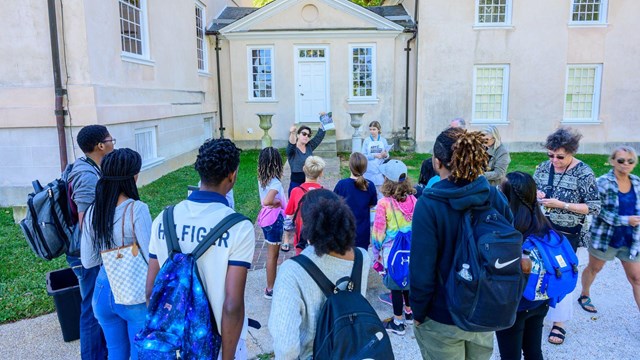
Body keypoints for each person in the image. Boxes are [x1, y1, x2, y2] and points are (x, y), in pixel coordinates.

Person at [146, 139, 256, 360]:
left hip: (169, 343)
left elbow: (151, 290)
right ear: (232, 175)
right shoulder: (239, 227)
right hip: (215, 344)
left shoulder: (164, 218)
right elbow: (232, 305)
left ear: (200, 172)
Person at [410, 127, 513, 359]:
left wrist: (418, 309)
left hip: (443, 312)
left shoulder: (429, 204)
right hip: (483, 309)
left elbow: (421, 266)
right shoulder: (494, 196)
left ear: (437, 163)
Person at [269, 189, 371, 359]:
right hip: (353, 351)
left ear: (309, 226)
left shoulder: (292, 271)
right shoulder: (362, 257)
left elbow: (286, 348)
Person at [80, 148, 151, 360]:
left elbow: (88, 260)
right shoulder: (136, 209)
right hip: (133, 293)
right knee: (139, 353)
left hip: (102, 291)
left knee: (116, 353)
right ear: (133, 176)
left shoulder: (94, 210)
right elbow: (150, 257)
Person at [533, 127, 600, 345]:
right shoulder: (544, 168)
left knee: (563, 274)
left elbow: (594, 207)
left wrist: (562, 205)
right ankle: (539, 310)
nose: (554, 160)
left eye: (560, 156)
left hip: (568, 235)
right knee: (541, 271)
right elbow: (532, 190)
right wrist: (536, 195)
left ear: (572, 152)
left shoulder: (584, 172)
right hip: (542, 230)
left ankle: (559, 323)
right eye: (550, 155)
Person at [495, 171, 554, 360]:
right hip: (540, 298)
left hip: (514, 305)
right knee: (534, 351)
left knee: (510, 356)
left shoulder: (507, 229)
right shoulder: (543, 223)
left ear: (507, 195)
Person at [67, 125, 113, 359]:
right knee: (92, 309)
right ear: (100, 146)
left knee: (94, 305)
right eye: (110, 139)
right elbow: (87, 224)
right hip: (86, 253)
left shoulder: (89, 167)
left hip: (88, 252)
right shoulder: (86, 175)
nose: (113, 143)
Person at [581, 146, 640, 312]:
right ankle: (584, 294)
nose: (625, 164)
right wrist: (625, 220)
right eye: (621, 160)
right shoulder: (602, 183)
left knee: (637, 278)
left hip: (631, 240)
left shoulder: (636, 182)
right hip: (605, 238)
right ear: (612, 161)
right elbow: (596, 209)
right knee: (595, 268)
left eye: (630, 161)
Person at [372, 159, 417, 335]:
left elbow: (378, 232)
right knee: (407, 280)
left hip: (392, 251)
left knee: (396, 286)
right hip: (411, 249)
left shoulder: (384, 203)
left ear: (386, 180)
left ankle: (398, 322)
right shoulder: (414, 199)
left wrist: (376, 253)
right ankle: (409, 312)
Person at [257, 147, 287, 300]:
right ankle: (270, 288)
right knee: (272, 256)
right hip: (274, 220)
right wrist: (277, 203)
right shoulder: (275, 183)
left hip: (265, 219)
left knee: (271, 253)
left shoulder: (262, 180)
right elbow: (267, 201)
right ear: (277, 163)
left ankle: (270, 285)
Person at [333, 152, 378, 250]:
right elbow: (372, 204)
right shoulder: (370, 185)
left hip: (345, 232)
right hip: (363, 232)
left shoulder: (341, 185)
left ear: (350, 166)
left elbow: (334, 206)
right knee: (361, 261)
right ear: (365, 168)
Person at [284, 156, 325, 255]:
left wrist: (287, 237)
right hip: (319, 238)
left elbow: (289, 216)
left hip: (301, 238)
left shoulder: (296, 191)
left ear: (304, 169)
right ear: (321, 173)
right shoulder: (325, 193)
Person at [287, 124, 326, 196]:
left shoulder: (309, 146)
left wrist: (323, 119)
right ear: (298, 135)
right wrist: (292, 133)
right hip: (296, 183)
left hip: (309, 182)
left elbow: (319, 136)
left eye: (308, 135)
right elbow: (291, 144)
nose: (306, 136)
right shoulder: (292, 150)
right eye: (304, 134)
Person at [362, 121, 390, 191]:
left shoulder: (383, 140)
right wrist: (374, 156)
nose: (372, 131)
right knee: (369, 190)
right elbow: (363, 156)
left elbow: (387, 155)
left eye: (374, 129)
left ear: (378, 129)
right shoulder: (366, 141)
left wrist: (385, 155)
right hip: (369, 170)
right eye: (370, 129)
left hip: (380, 171)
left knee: (380, 192)